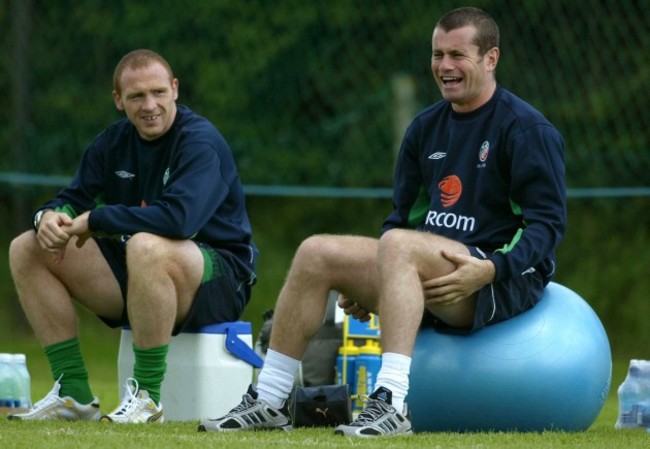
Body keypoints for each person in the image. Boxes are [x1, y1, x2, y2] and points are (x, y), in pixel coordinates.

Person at [198, 6, 566, 438]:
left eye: (458, 55)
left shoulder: (526, 129)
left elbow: (545, 226)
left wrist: (491, 269)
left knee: (397, 246)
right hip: (425, 268)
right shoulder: (425, 128)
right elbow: (401, 220)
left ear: (491, 58)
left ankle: (391, 404)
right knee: (317, 251)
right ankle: (270, 399)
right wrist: (377, 278)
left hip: (495, 279)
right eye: (437, 54)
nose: (444, 66)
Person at [8, 49, 258, 424]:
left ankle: (146, 398)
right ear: (118, 100)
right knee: (27, 247)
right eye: (137, 96)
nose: (150, 105)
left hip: (219, 278)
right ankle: (73, 392)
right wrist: (49, 216)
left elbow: (178, 221)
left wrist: (99, 219)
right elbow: (73, 199)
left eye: (158, 92)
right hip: (143, 269)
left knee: (146, 245)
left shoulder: (200, 142)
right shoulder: (112, 143)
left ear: (175, 89)